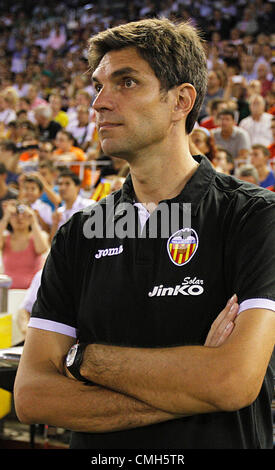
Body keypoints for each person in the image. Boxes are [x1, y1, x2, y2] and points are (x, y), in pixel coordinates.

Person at [14, 18, 275, 450]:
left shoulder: (254, 217)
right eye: (97, 85)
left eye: (127, 82)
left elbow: (232, 381)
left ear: (181, 100)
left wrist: (85, 358)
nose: (99, 102)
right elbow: (32, 396)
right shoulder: (79, 233)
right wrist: (197, 386)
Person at [0, 200, 48, 289]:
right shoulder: (4, 238)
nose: (20, 218)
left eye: (24, 215)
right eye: (15, 215)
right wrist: (6, 217)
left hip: (31, 292)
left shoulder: (39, 236)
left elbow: (42, 249)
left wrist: (33, 220)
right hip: (8, 292)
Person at [50, 171, 93, 240]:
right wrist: (55, 224)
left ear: (77, 187)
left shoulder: (89, 206)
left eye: (67, 184)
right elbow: (53, 242)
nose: (62, 188)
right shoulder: (59, 211)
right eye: (60, 184)